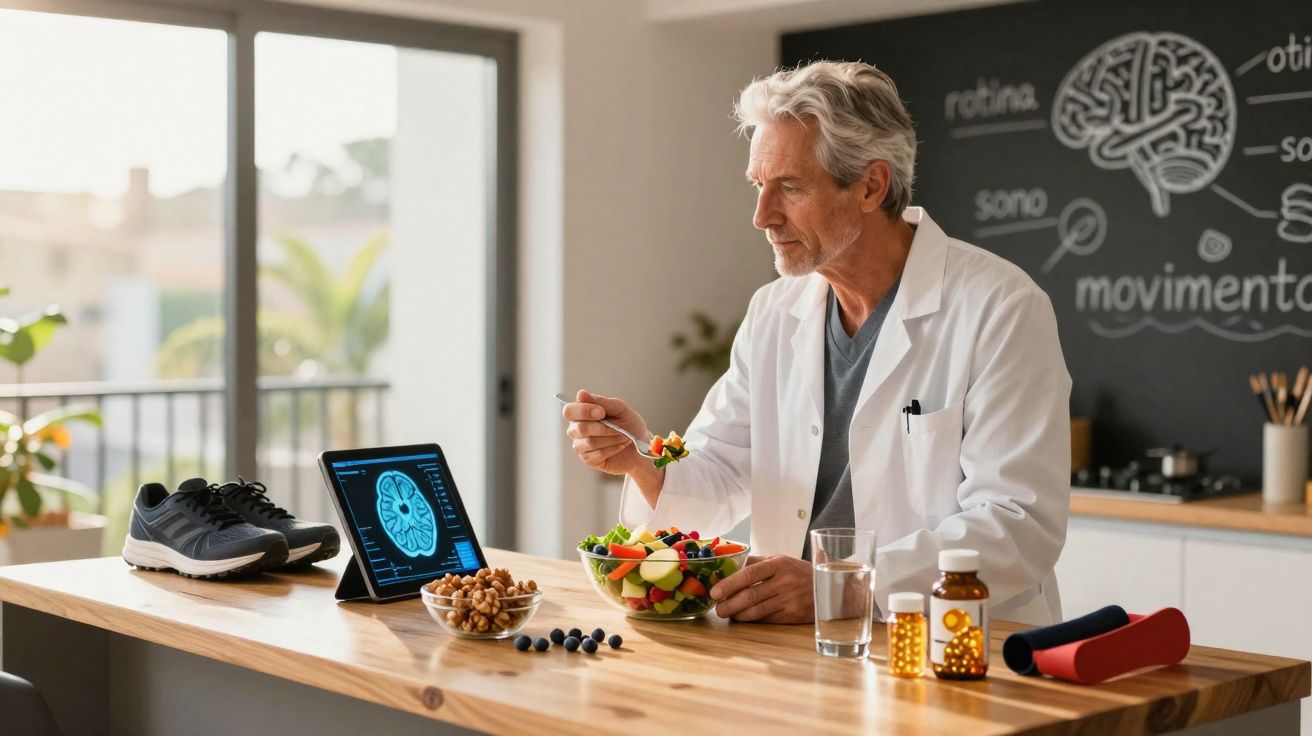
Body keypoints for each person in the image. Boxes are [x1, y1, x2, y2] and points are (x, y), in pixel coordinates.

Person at [561, 60, 1071, 626]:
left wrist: (846, 585)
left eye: (790, 188)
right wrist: (640, 461)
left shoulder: (1000, 308)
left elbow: (1017, 524)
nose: (761, 216)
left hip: (954, 644)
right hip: (798, 642)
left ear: (871, 186)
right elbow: (726, 469)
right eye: (758, 186)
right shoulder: (774, 311)